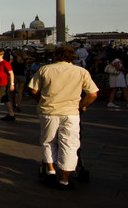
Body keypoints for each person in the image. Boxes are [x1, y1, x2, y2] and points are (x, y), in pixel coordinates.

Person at [28, 46, 99, 190]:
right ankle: (64, 179)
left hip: (48, 111)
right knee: (69, 144)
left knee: (48, 141)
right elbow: (93, 94)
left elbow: (33, 90)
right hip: (71, 113)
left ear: (56, 56)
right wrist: (81, 105)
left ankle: (50, 170)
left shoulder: (45, 69)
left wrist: (41, 101)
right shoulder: (81, 71)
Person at [0, 49, 16, 121]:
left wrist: (12, 84)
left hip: (3, 84)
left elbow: (11, 73)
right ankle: (11, 114)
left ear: (1, 55)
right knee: (5, 99)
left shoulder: (5, 63)